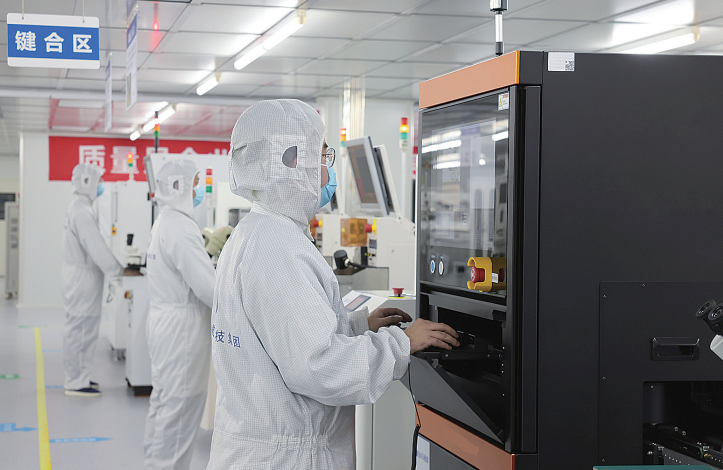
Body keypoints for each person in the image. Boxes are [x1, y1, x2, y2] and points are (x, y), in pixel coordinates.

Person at [207, 99, 459, 469]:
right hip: (287, 458)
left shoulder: (255, 232)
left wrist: (356, 326)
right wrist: (401, 343)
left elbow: (285, 340)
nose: (326, 172)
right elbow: (319, 368)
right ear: (291, 160)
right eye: (322, 155)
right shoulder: (280, 247)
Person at [144, 160, 216, 470]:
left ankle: (154, 464)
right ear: (179, 186)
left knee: (164, 403)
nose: (199, 190)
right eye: (196, 183)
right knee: (181, 409)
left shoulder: (165, 220)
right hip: (182, 332)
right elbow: (208, 289)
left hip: (164, 324)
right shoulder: (181, 227)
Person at [63, 163, 125, 397]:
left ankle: (80, 377)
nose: (101, 185)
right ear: (86, 182)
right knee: (81, 330)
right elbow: (96, 247)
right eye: (99, 181)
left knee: (83, 329)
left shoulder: (82, 208)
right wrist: (118, 270)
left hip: (82, 278)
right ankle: (75, 382)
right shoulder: (81, 211)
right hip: (82, 280)